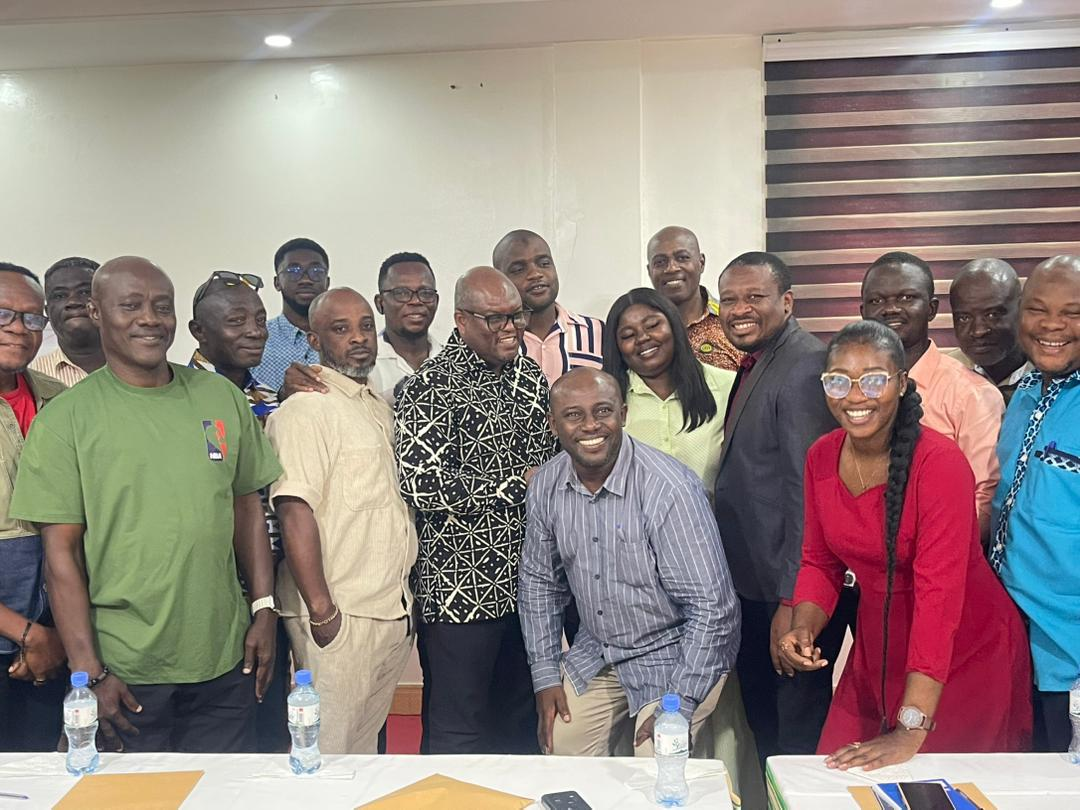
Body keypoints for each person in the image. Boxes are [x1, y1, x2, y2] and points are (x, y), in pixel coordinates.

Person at [10, 256, 282, 753]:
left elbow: (246, 505)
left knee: (224, 790)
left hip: (224, 660)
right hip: (124, 671)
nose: (150, 319)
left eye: (162, 306)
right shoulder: (65, 419)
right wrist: (90, 672)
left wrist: (264, 608)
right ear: (96, 312)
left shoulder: (220, 398)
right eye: (130, 306)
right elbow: (61, 557)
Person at [779, 320, 1031, 769]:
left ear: (900, 383)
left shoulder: (939, 464)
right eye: (839, 381)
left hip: (963, 649)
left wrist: (912, 727)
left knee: (940, 784)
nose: (855, 397)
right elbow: (819, 562)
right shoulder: (821, 455)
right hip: (879, 646)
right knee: (837, 776)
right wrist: (804, 626)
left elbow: (940, 600)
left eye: (873, 380)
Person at [519, 369, 739, 756]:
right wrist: (545, 676)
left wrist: (681, 702)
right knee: (560, 748)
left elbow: (712, 609)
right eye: (573, 415)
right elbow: (540, 584)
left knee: (657, 759)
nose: (591, 425)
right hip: (600, 651)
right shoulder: (545, 486)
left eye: (603, 411)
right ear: (553, 425)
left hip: (677, 653)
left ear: (623, 414)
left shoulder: (669, 487)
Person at [600, 292, 763, 806]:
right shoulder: (611, 404)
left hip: (714, 574)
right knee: (652, 699)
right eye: (628, 334)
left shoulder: (724, 387)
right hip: (639, 581)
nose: (643, 340)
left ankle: (729, 797)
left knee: (721, 699)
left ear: (675, 325)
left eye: (653, 325)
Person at [395, 266, 558, 754]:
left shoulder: (529, 377)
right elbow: (422, 483)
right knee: (459, 731)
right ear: (461, 320)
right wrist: (516, 486)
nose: (511, 328)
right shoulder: (429, 388)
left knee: (519, 726)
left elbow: (549, 464)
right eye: (495, 319)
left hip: (528, 587)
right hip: (461, 592)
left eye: (516, 316)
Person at [267, 288, 417, 754]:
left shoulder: (375, 406)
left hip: (388, 609)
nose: (358, 338)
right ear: (314, 340)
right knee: (324, 756)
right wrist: (323, 611)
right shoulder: (304, 410)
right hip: (340, 616)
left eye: (366, 326)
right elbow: (294, 510)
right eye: (341, 329)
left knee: (362, 756)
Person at [712, 252, 840, 763]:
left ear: (787, 302)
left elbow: (806, 494)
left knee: (793, 737)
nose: (739, 309)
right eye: (729, 299)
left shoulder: (804, 366)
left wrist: (792, 601)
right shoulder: (763, 359)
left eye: (754, 297)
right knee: (766, 724)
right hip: (755, 583)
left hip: (784, 592)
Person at [187, 270, 289, 753]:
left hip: (271, 586)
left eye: (260, 320)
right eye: (236, 321)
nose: (254, 331)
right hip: (214, 590)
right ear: (199, 332)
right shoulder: (180, 397)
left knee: (269, 729)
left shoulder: (270, 397)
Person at [991, 255, 1080, 753]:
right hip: (1010, 646)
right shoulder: (1025, 392)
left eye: (1073, 313)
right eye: (1038, 309)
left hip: (1071, 655)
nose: (1052, 325)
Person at [861, 251, 1003, 540]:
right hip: (862, 554)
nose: (891, 309)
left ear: (932, 308)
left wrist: (929, 551)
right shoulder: (852, 388)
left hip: (941, 553)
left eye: (906, 298)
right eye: (877, 301)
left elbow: (984, 498)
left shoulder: (972, 394)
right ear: (863, 312)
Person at [0, 263, 67, 751]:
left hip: (50, 633)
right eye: (3, 314)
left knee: (36, 774)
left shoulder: (59, 401)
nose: (20, 329)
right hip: (25, 631)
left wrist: (53, 634)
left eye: (32, 318)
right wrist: (25, 633)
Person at [281, 251, 443, 408]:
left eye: (426, 293)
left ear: (436, 301)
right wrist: (285, 392)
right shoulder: (356, 360)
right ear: (380, 303)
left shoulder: (451, 359)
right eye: (401, 293)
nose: (415, 301)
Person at [492, 229, 604, 384]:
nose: (535, 274)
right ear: (500, 280)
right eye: (519, 270)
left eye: (544, 264)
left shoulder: (597, 332)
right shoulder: (492, 339)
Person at [646, 226, 741, 372]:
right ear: (649, 271)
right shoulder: (640, 331)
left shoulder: (732, 322)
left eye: (682, 258)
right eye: (660, 262)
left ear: (701, 263)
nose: (671, 268)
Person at [949, 258, 1033, 405]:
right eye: (964, 318)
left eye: (992, 315)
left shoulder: (1054, 375)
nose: (979, 331)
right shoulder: (944, 376)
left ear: (1022, 310)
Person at [252, 238, 330, 392]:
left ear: (327, 282)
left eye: (316, 271)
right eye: (294, 271)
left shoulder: (342, 338)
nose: (306, 280)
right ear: (277, 282)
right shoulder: (257, 340)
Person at [29, 257, 104, 386]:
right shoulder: (30, 378)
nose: (73, 302)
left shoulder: (138, 365)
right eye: (59, 296)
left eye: (85, 292)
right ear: (47, 311)